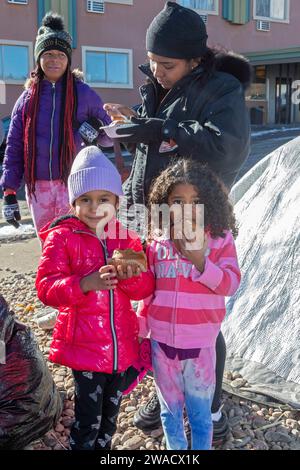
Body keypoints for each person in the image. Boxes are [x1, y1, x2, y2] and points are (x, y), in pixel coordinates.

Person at [104, 1, 251, 443]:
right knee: (163, 302)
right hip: (156, 212)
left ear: (194, 60)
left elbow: (228, 147)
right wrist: (137, 127)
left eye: (166, 64)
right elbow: (158, 144)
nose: (157, 71)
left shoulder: (222, 88)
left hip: (195, 216)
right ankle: (169, 388)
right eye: (151, 62)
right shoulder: (159, 85)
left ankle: (211, 402)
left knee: (201, 312)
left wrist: (161, 128)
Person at [35, 146, 155, 450]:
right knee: (87, 420)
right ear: (74, 202)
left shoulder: (125, 238)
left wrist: (133, 278)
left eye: (104, 199)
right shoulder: (62, 238)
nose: (94, 207)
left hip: (122, 348)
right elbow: (46, 288)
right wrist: (84, 283)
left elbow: (144, 290)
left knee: (110, 419)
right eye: (85, 199)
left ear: (116, 201)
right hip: (85, 348)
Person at [137, 158, 241, 450]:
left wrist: (200, 260)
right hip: (161, 345)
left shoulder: (219, 239)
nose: (186, 208)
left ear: (208, 202)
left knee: (200, 415)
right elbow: (149, 291)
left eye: (195, 200)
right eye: (177, 201)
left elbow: (231, 284)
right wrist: (140, 327)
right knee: (169, 412)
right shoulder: (158, 241)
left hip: (199, 346)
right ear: (165, 204)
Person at [1, 12, 111, 234]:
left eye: (61, 54)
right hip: (37, 189)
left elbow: (110, 137)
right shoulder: (26, 100)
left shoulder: (84, 94)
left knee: (77, 245)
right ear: (39, 58)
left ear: (68, 59)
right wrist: (9, 192)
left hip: (75, 186)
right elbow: (13, 147)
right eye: (48, 54)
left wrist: (97, 130)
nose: (54, 60)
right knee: (49, 247)